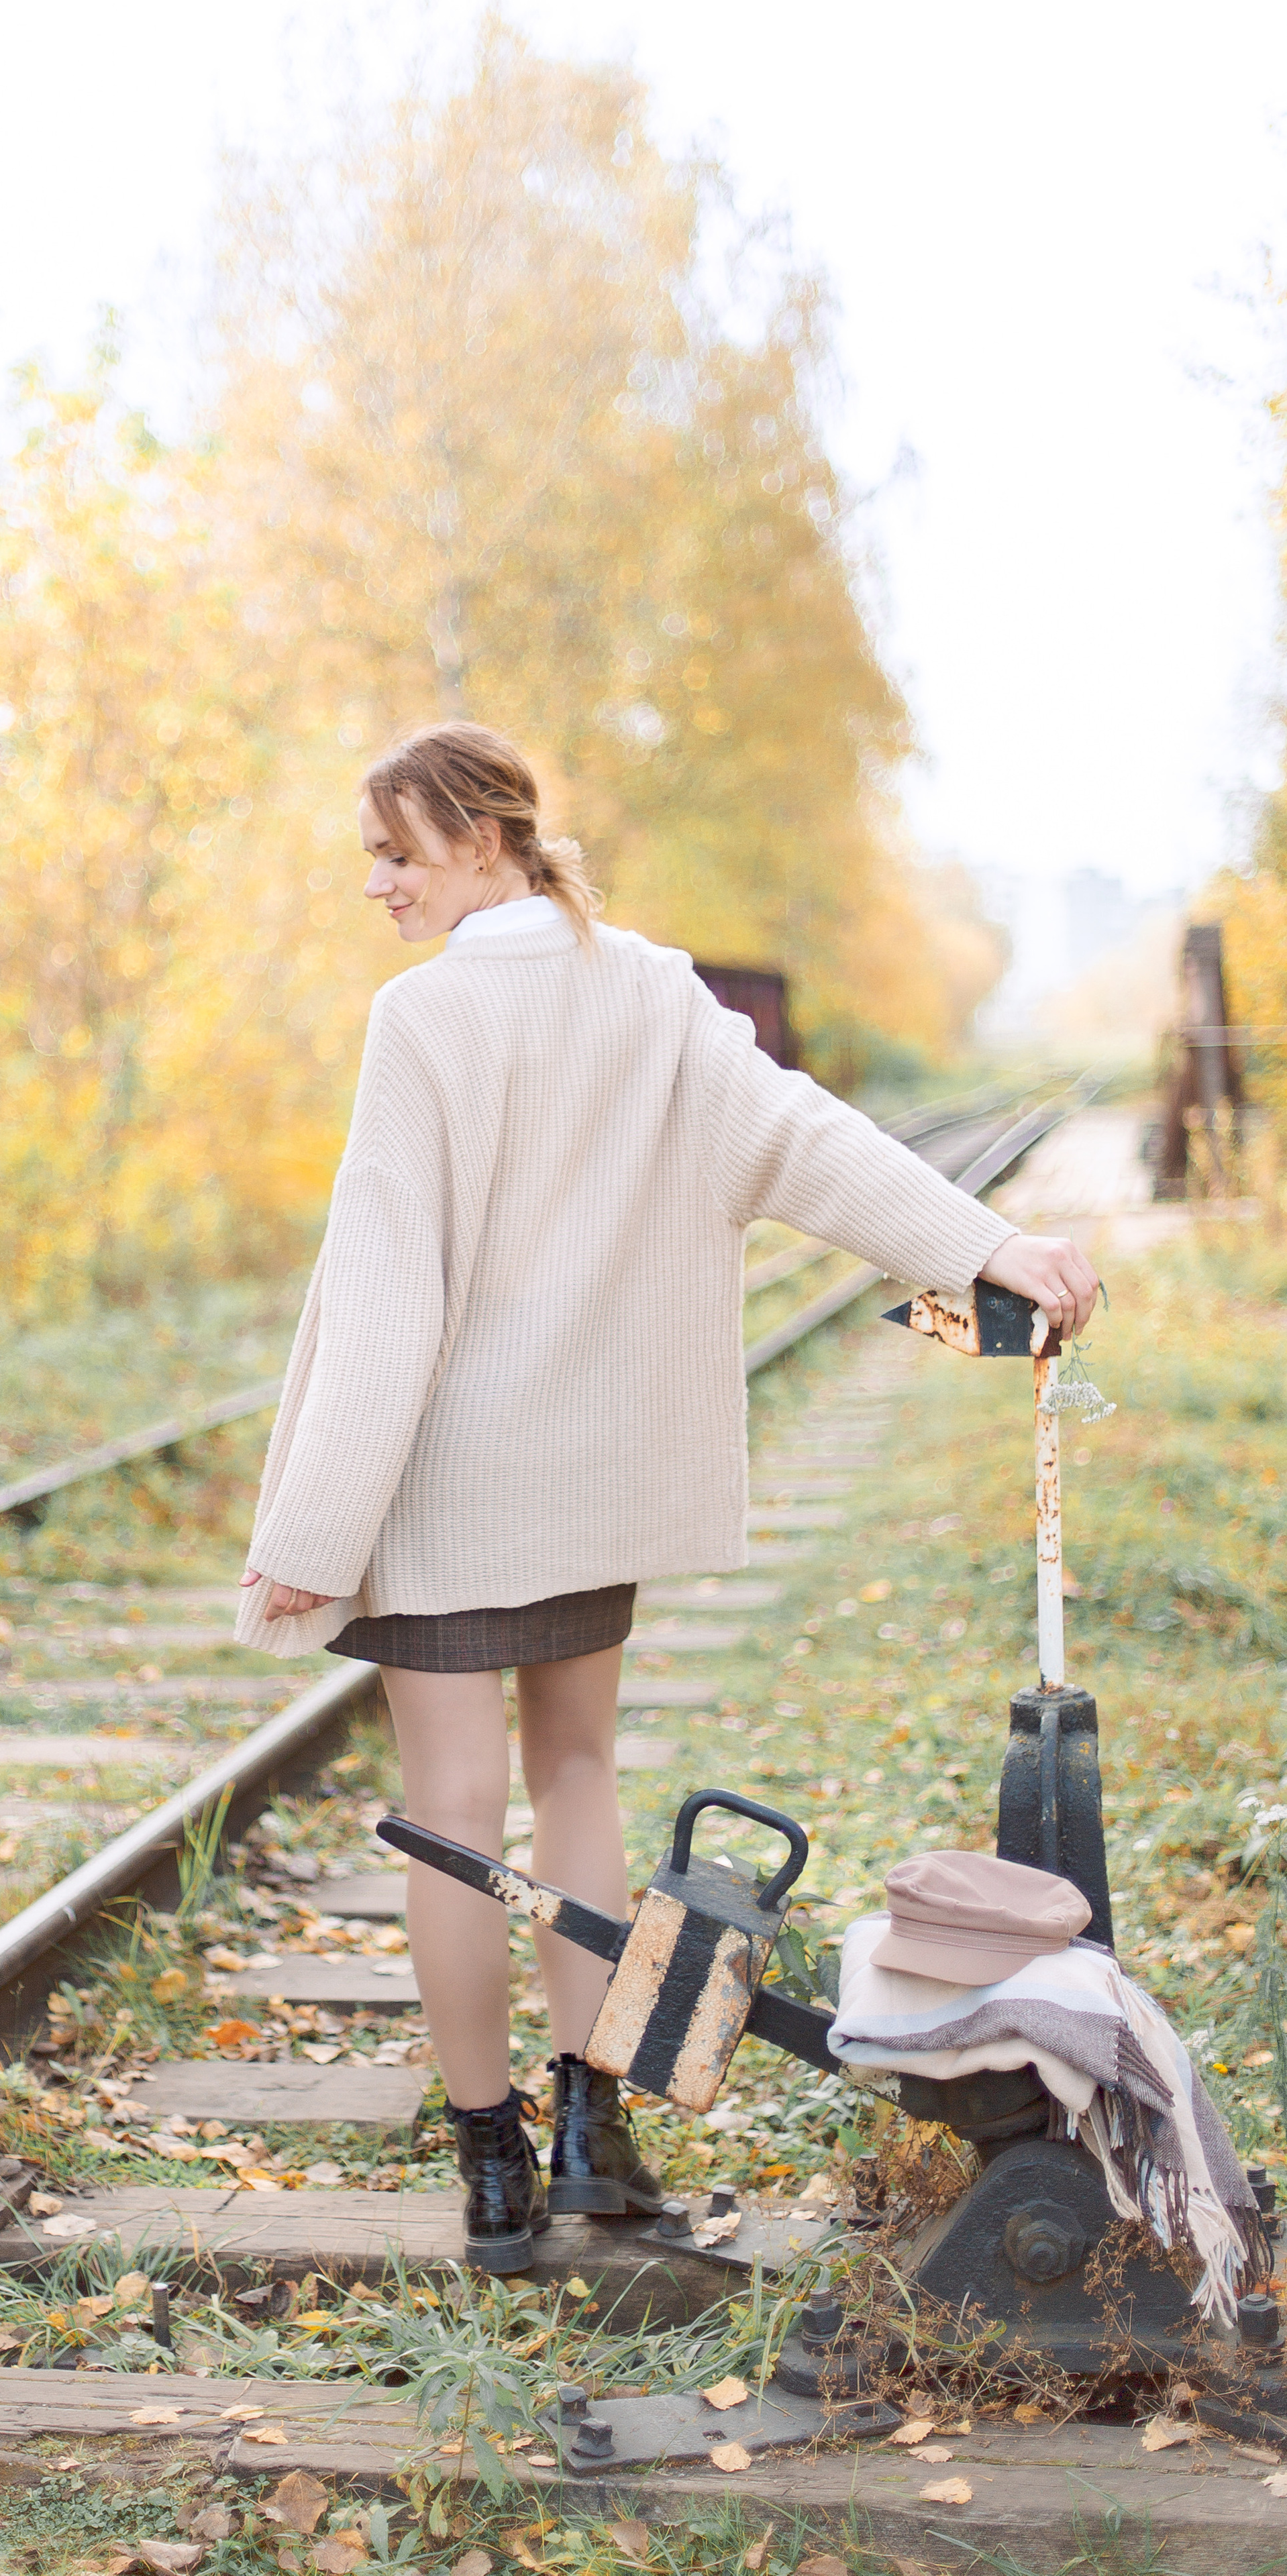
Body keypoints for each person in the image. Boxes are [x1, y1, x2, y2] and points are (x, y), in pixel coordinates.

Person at [235, 720, 1100, 2273]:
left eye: (397, 853)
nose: (374, 885)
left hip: (444, 1493)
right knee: (574, 1782)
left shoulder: (420, 1024)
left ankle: (490, 2169)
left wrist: (311, 1534)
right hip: (578, 1489)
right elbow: (808, 1143)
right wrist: (981, 1245)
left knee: (446, 1821)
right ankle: (588, 2135)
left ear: (485, 841)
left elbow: (384, 1298)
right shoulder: (649, 992)